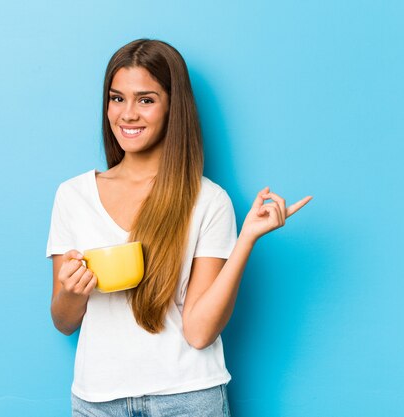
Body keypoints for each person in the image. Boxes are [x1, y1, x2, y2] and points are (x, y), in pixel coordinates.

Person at [46, 39, 312, 417]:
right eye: (117, 98)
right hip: (97, 401)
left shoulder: (208, 200)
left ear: (173, 106)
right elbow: (63, 320)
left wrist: (247, 239)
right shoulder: (73, 196)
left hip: (186, 398)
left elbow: (200, 332)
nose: (128, 114)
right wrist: (73, 291)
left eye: (146, 99)